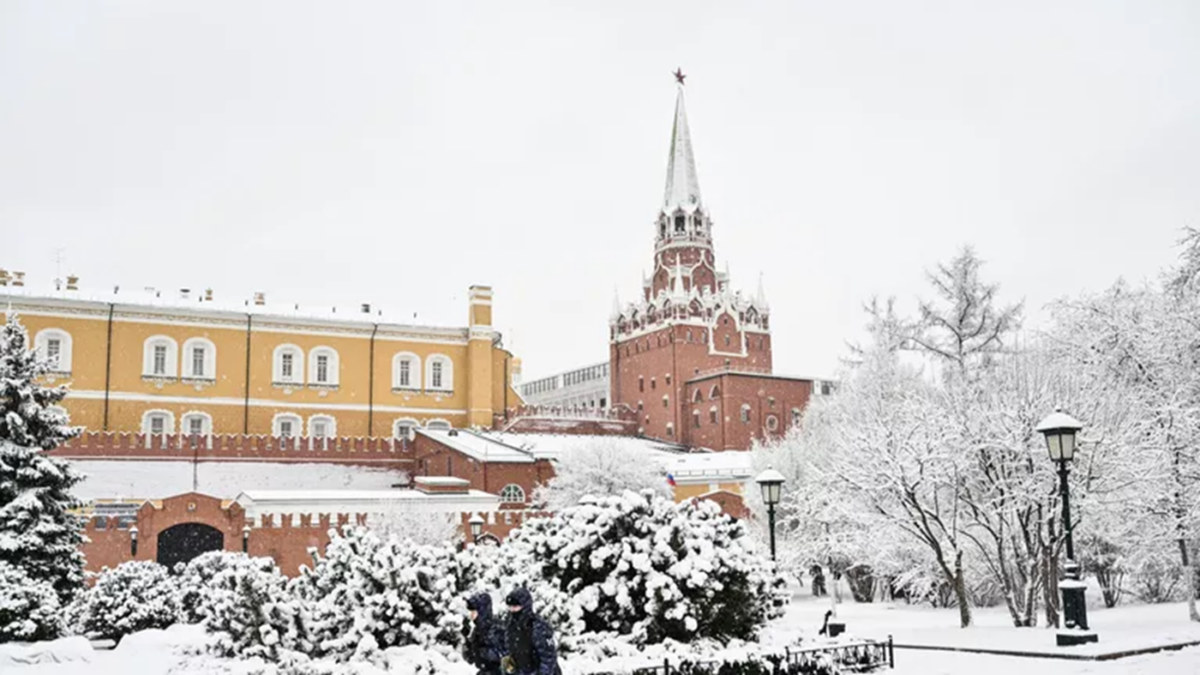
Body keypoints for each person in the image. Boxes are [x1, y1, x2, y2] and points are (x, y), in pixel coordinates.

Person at [501, 588, 559, 675]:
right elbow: (509, 649)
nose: (512, 610)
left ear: (525, 606)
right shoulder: (511, 626)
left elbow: (548, 658)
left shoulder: (538, 627)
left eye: (516, 607)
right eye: (510, 607)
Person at [465, 593, 504, 675]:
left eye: (474, 612)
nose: (471, 615)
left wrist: (484, 652)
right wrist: (468, 646)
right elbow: (471, 658)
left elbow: (506, 654)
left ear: (482, 611)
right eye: (471, 612)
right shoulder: (478, 629)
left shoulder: (496, 628)